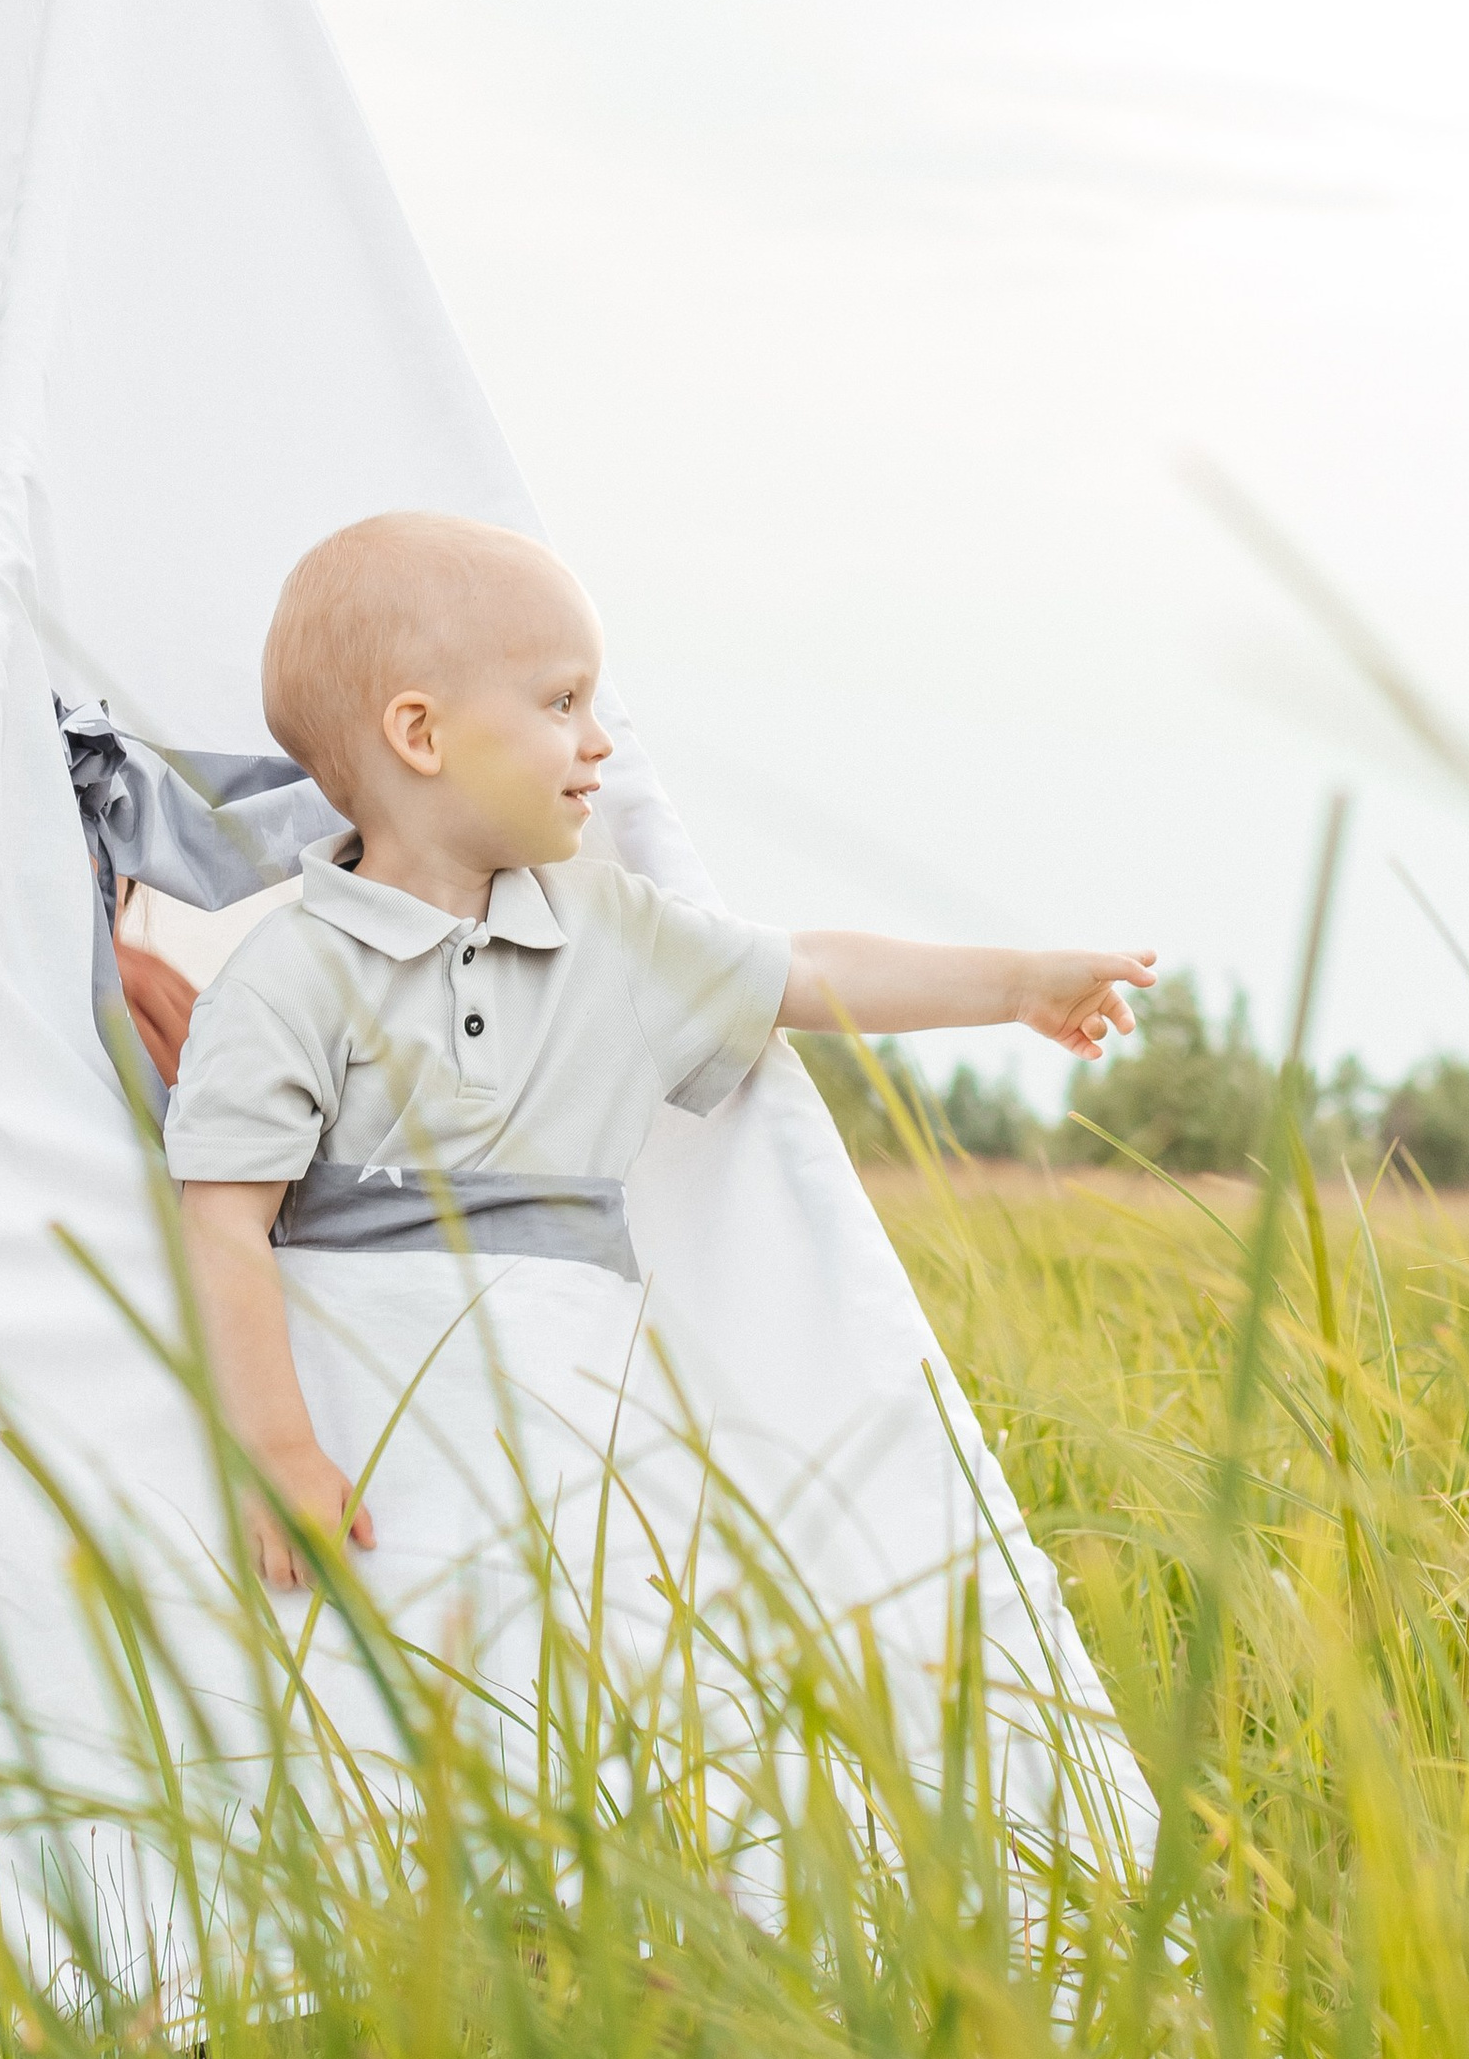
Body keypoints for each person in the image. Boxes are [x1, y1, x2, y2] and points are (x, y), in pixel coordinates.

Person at [167, 513, 1153, 1591]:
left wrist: (1017, 985)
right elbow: (223, 1223)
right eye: (561, 702)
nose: (600, 741)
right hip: (369, 1469)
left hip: (573, 1461)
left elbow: (807, 970)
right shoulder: (288, 976)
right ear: (421, 733)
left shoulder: (615, 936)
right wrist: (275, 1452)